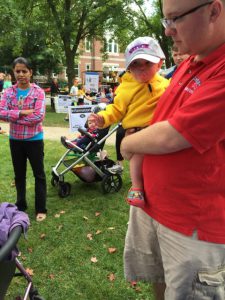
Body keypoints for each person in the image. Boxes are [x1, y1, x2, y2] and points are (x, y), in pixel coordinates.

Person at [121, 1, 225, 299]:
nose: (167, 31)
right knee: (158, 278)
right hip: (154, 205)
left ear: (213, 11)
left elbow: (173, 135)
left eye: (175, 19)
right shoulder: (191, 62)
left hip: (191, 224)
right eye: (166, 20)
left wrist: (128, 142)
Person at [89, 37, 169, 208]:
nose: (141, 68)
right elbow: (116, 109)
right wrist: (102, 117)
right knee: (137, 158)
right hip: (137, 132)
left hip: (160, 131)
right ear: (128, 68)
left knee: (161, 165)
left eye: (147, 62)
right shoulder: (126, 87)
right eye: (135, 64)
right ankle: (137, 187)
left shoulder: (165, 84)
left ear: (159, 64)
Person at [0, 57, 47, 222]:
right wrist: (21, 113)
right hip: (16, 140)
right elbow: (1, 112)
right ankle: (21, 205)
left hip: (34, 139)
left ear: (30, 72)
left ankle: (41, 208)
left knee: (39, 174)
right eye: (17, 71)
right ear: (14, 72)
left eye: (24, 71)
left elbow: (38, 117)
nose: (21, 74)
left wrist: (13, 116)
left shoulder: (38, 92)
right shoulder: (8, 92)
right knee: (19, 175)